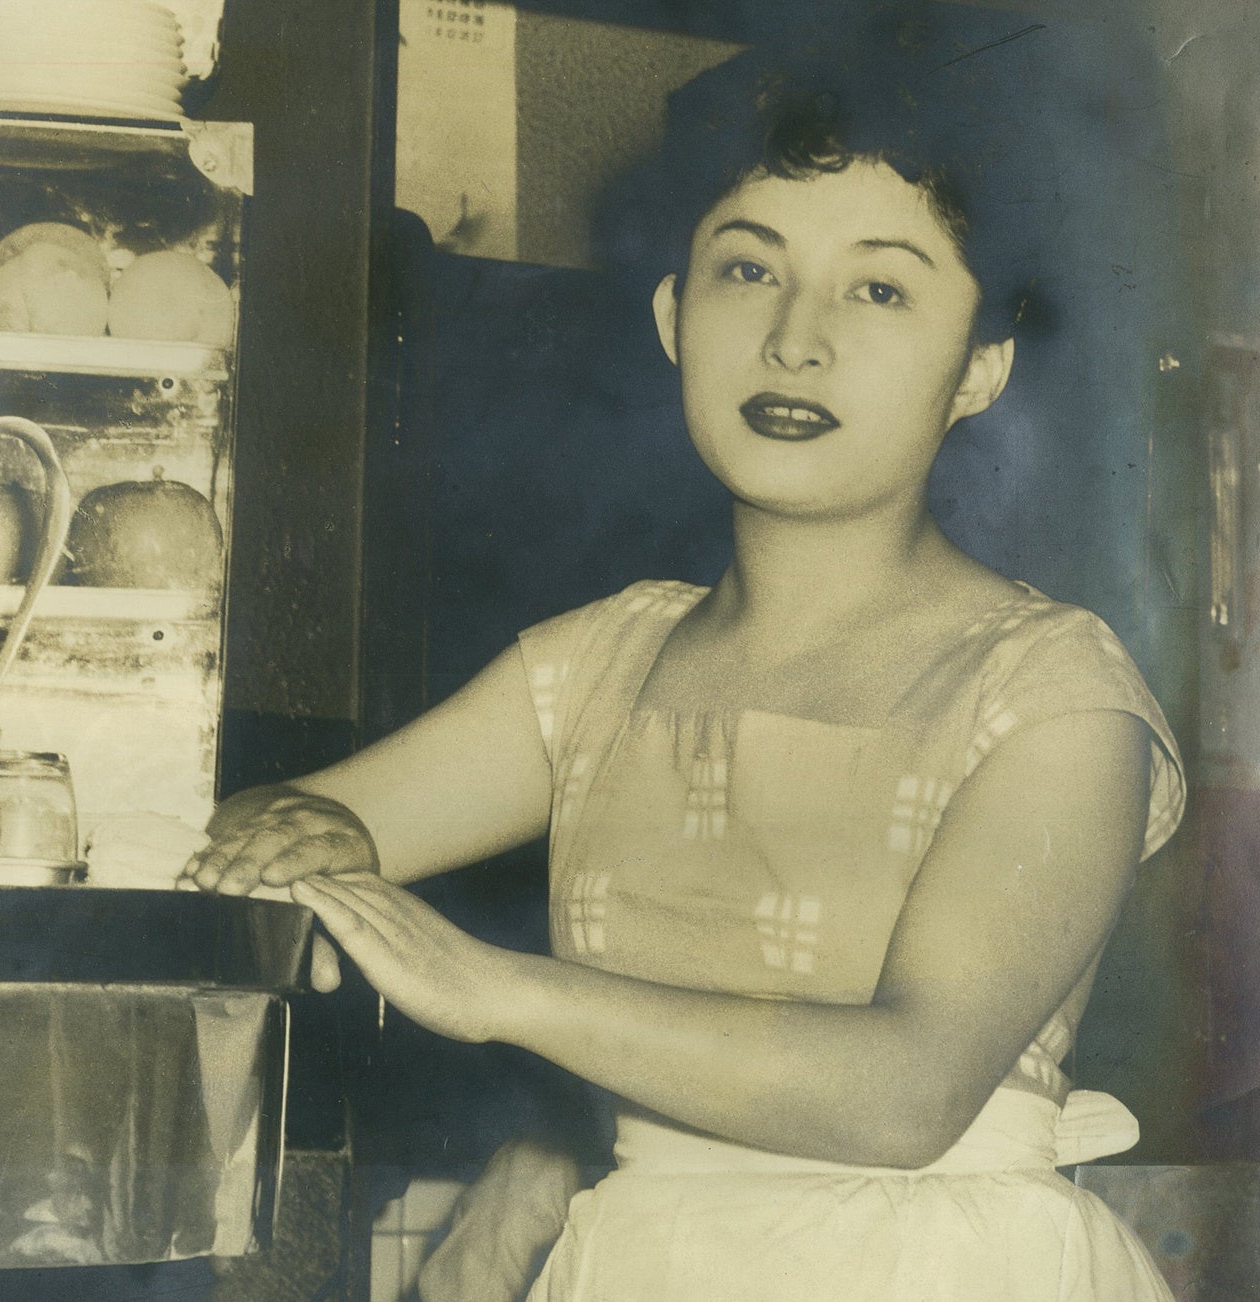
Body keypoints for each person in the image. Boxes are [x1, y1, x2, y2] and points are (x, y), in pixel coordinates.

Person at [182, 12, 1186, 1298]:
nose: (795, 338)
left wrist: (496, 990)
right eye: (748, 268)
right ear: (672, 315)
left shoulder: (1052, 692)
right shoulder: (598, 664)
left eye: (880, 288)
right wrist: (296, 848)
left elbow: (906, 1093)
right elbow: (291, 824)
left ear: (980, 368)